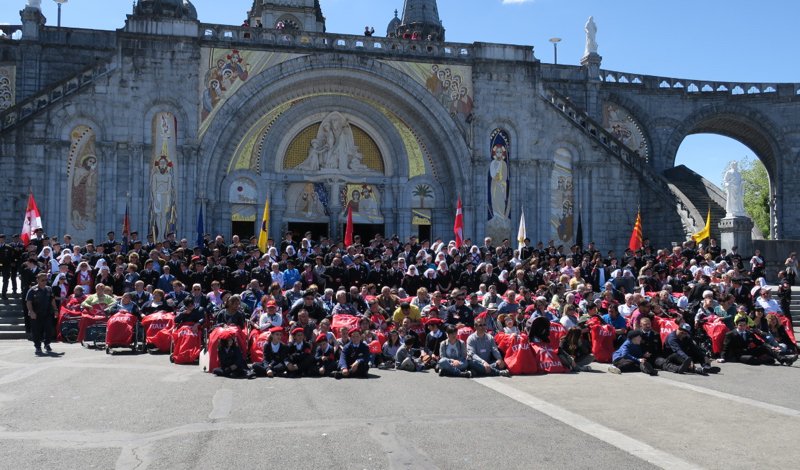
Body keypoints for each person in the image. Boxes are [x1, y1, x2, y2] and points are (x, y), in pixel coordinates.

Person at [26, 273, 58, 355]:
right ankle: (37, 346)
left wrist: (55, 310)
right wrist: (31, 311)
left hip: (47, 313)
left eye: (46, 280)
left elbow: (52, 300)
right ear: (38, 280)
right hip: (36, 314)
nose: (44, 282)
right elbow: (28, 302)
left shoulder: (49, 289)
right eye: (42, 280)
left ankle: (47, 344)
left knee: (49, 330)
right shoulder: (32, 290)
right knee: (36, 331)